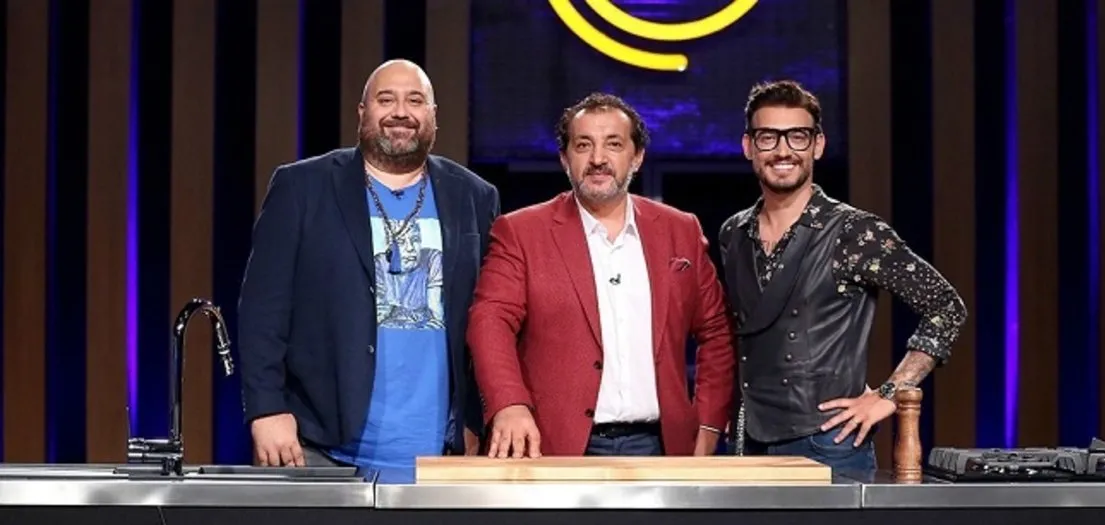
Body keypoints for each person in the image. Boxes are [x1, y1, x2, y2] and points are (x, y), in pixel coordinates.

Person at [238, 59, 500, 469]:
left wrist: (475, 417)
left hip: (440, 455)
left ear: (433, 115)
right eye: (386, 99)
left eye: (415, 100)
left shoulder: (474, 196)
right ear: (363, 112)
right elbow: (263, 310)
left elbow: (489, 318)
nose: (401, 112)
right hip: (318, 445)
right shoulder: (302, 187)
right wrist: (265, 407)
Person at [467, 93, 735, 458]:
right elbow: (489, 321)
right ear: (565, 158)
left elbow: (717, 331)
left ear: (637, 157)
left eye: (613, 144)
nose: (598, 159)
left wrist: (708, 423)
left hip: (661, 447)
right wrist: (509, 403)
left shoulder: (680, 230)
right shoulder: (521, 232)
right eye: (583, 145)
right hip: (553, 445)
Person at [718, 80, 967, 471]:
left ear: (817, 145)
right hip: (748, 442)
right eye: (768, 137)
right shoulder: (734, 232)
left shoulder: (855, 232)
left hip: (828, 442)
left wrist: (889, 393)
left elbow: (946, 306)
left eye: (797, 136)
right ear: (748, 146)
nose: (783, 150)